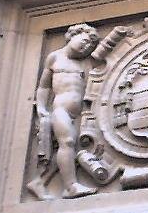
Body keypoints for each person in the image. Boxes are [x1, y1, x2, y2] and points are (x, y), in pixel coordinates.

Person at [27, 23, 101, 199]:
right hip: (60, 110)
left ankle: (38, 182)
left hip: (79, 113)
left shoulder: (84, 63)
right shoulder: (55, 58)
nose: (86, 46)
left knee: (67, 149)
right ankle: (70, 187)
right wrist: (42, 108)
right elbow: (44, 87)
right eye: (84, 41)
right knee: (67, 142)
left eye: (90, 46)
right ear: (72, 35)